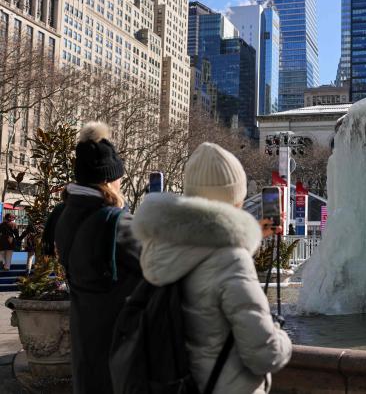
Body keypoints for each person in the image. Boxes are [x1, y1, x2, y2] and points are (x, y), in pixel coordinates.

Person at [132, 142, 292, 394]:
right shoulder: (232, 262)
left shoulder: (161, 249)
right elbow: (265, 354)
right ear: (235, 199)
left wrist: (247, 241)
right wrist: (281, 334)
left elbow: (206, 265)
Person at [48, 122, 141, 394]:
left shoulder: (65, 215)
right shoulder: (117, 224)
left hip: (85, 348)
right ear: (109, 179)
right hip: (120, 351)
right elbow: (166, 265)